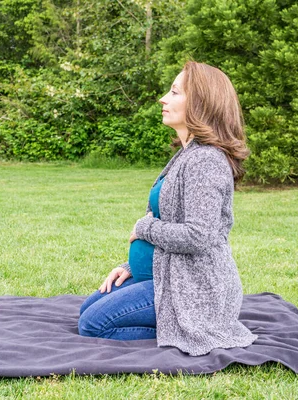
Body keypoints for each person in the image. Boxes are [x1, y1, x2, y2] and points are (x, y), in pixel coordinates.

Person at [78, 61, 258, 356]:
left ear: (200, 104)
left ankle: (185, 327)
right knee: (89, 307)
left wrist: (143, 228)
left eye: (174, 92)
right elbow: (167, 220)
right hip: (167, 274)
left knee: (93, 325)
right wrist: (130, 268)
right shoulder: (187, 154)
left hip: (195, 289)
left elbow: (199, 236)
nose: (163, 98)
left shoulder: (205, 161)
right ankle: (164, 315)